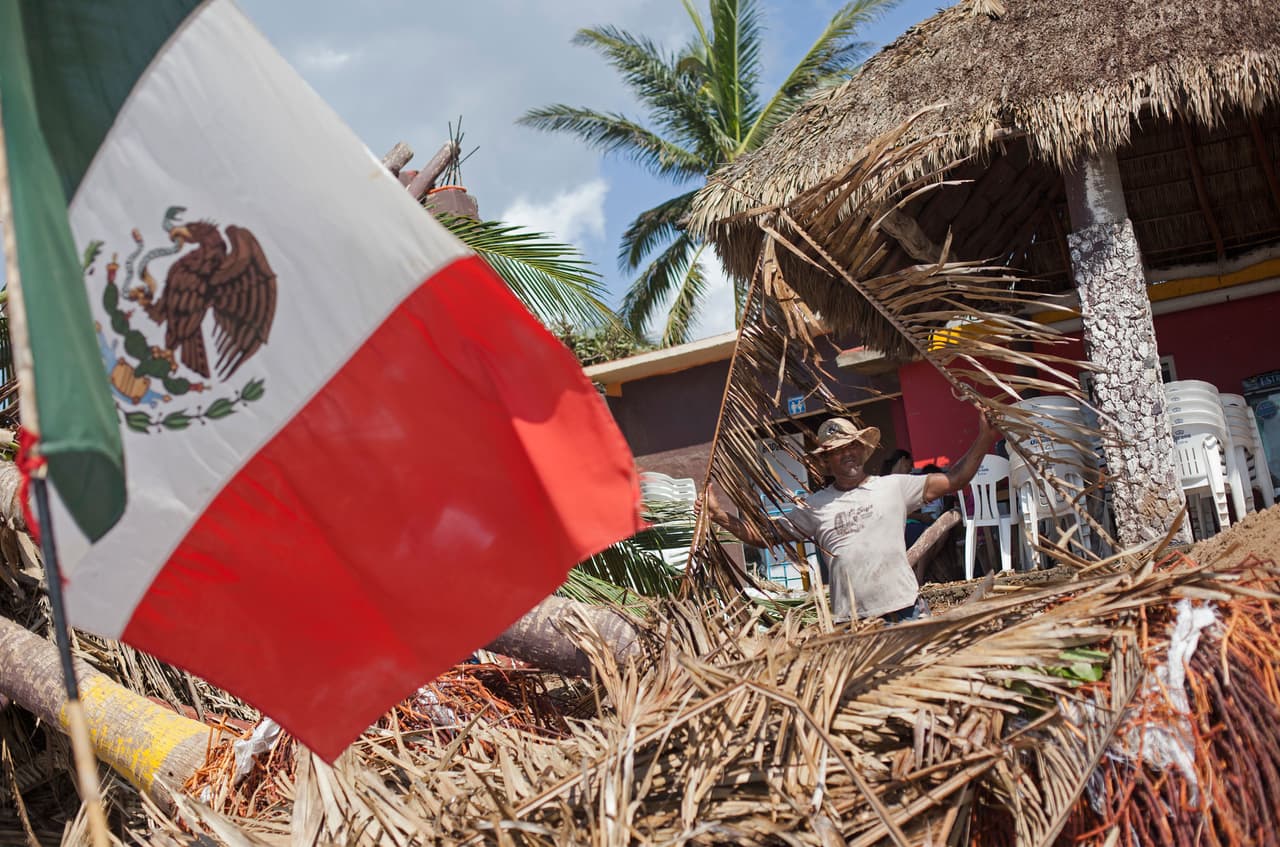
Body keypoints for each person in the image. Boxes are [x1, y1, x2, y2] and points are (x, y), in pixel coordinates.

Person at [700, 409, 1000, 624]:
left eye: (852, 445)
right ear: (826, 462)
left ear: (862, 450)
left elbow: (955, 479)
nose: (847, 453)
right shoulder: (815, 506)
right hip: (854, 623)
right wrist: (719, 515)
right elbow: (764, 536)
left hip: (905, 611)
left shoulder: (894, 486)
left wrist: (985, 437)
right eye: (837, 450)